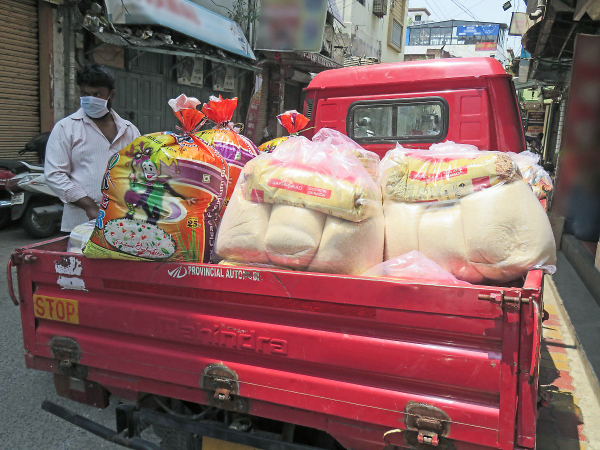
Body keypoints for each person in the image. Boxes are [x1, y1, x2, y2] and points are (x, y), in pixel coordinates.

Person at [45, 64, 140, 232]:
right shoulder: (66, 128)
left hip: (125, 221)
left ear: (111, 95)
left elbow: (140, 170)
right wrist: (89, 206)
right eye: (85, 94)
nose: (90, 99)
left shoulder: (129, 130)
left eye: (97, 94)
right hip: (80, 223)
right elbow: (55, 175)